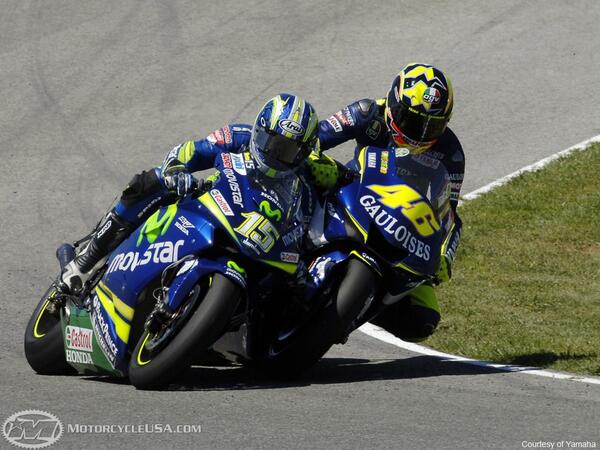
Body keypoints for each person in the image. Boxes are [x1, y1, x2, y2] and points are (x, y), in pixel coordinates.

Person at [60, 93, 342, 293]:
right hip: (207, 208)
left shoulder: (304, 180)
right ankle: (88, 259)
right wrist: (177, 171)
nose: (277, 155)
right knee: (150, 182)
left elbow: (303, 228)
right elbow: (191, 151)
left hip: (255, 243)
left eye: (288, 151)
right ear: (260, 130)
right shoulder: (239, 136)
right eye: (273, 143)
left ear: (303, 154)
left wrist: (299, 262)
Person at [318, 62, 464, 342]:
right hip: (351, 197)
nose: (420, 134)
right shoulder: (367, 112)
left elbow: (450, 213)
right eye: (412, 120)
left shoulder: (451, 152)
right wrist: (318, 163)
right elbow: (314, 138)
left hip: (401, 230)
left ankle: (357, 307)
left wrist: (446, 254)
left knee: (423, 318)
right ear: (394, 105)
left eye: (431, 125)